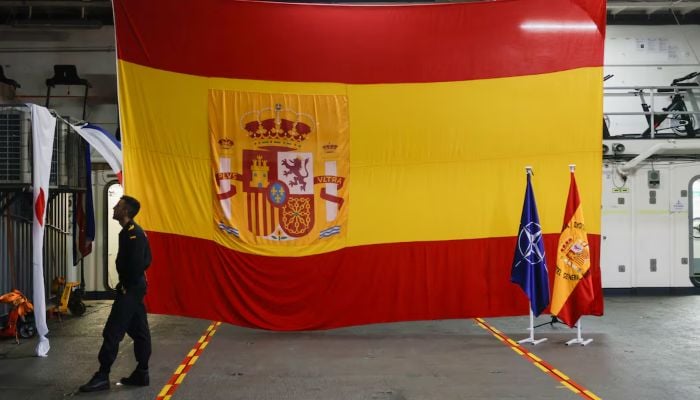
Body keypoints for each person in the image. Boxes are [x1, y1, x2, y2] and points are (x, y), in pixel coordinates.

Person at [80, 195, 153, 392]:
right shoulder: (129, 232)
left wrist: (126, 285)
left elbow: (141, 263)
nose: (114, 208)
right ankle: (142, 372)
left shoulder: (133, 234)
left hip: (130, 288)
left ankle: (102, 375)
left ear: (126, 212)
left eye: (118, 206)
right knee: (140, 331)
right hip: (134, 287)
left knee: (113, 330)